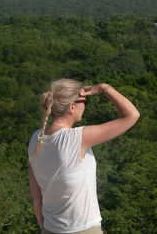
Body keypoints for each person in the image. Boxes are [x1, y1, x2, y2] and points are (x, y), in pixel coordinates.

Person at [28, 79, 140, 234]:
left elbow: (36, 195)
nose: (86, 106)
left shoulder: (36, 139)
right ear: (72, 106)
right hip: (83, 229)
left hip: (50, 229)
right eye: (85, 102)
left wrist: (44, 228)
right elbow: (132, 115)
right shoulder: (77, 138)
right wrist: (104, 88)